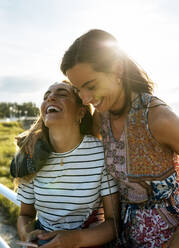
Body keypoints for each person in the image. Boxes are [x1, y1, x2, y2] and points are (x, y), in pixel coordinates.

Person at [60, 29, 179, 248]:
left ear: (116, 68)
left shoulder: (159, 118)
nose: (85, 99)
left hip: (167, 237)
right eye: (78, 90)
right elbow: (80, 150)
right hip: (121, 234)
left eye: (91, 86)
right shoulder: (101, 117)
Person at [11, 82, 119, 248]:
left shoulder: (100, 154)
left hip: (87, 242)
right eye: (46, 96)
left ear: (81, 112)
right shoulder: (30, 154)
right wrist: (28, 235)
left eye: (62, 93)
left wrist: (74, 240)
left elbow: (113, 224)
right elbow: (25, 215)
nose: (51, 98)